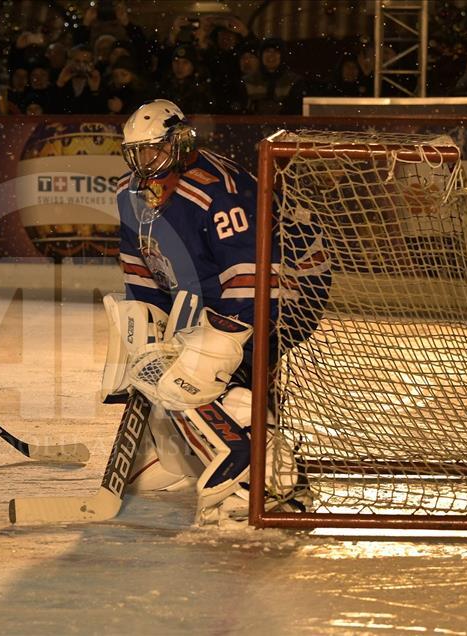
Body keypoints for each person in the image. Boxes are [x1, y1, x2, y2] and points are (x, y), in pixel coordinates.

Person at [101, 99, 330, 524]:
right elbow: (142, 266)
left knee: (209, 372)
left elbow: (253, 277)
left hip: (292, 285)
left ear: (181, 143)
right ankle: (180, 453)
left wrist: (219, 342)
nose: (145, 163)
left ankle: (270, 476)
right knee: (167, 361)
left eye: (154, 150)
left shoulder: (220, 193)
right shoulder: (128, 193)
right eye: (137, 153)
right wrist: (150, 326)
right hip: (225, 284)